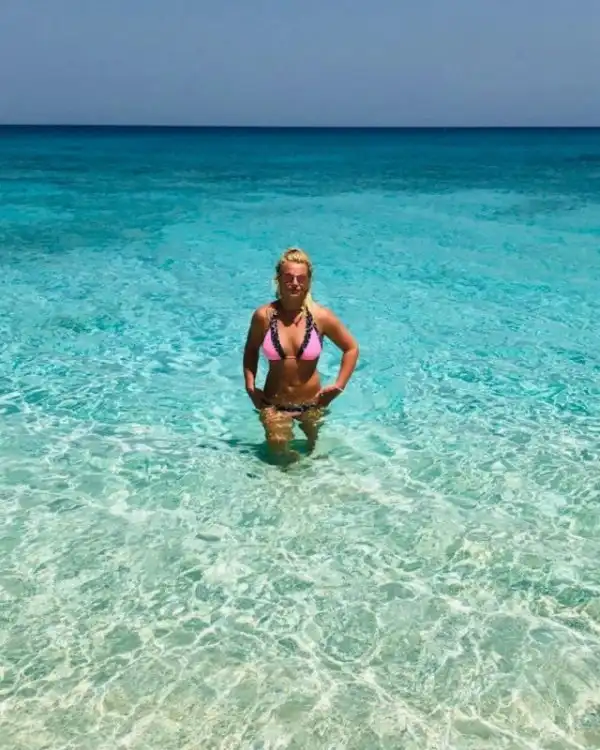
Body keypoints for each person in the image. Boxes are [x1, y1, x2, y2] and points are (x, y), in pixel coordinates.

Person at [243, 247, 359, 459]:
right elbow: (251, 349)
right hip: (273, 404)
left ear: (309, 282)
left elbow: (351, 348)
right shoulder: (263, 316)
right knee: (278, 451)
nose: (295, 283)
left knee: (315, 454)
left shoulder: (321, 317)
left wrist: (339, 386)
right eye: (288, 278)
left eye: (301, 278)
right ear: (278, 280)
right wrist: (250, 386)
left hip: (312, 404)